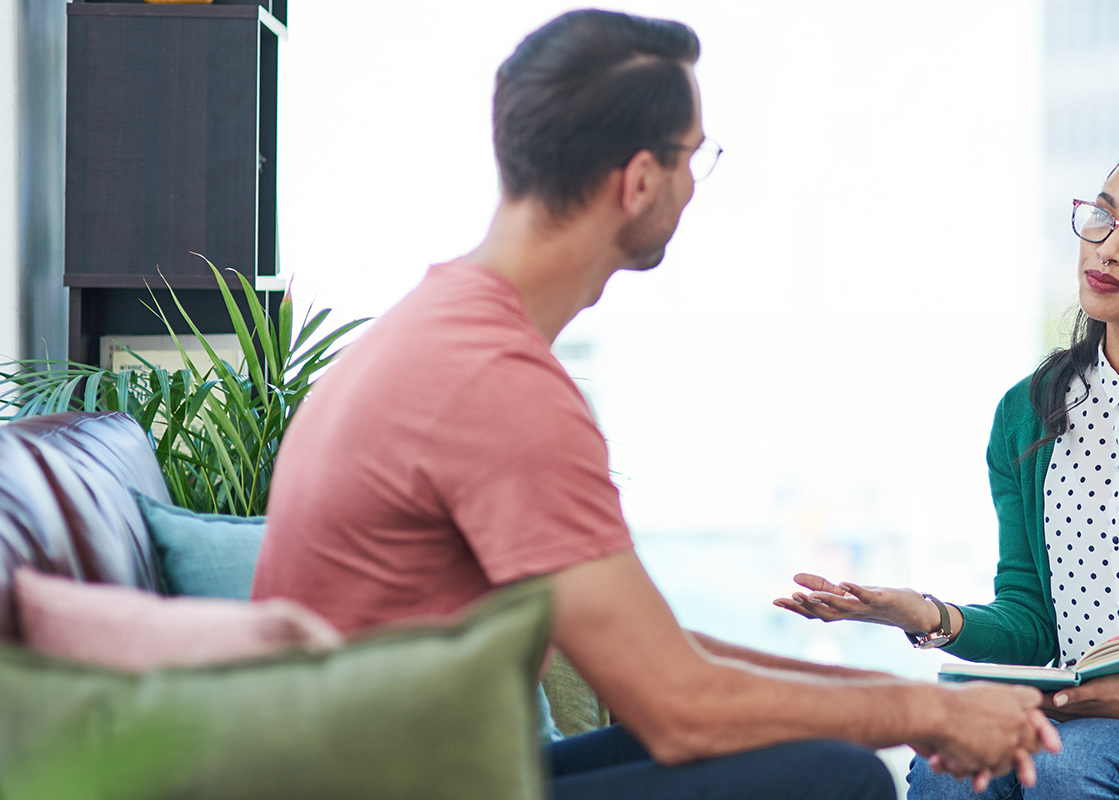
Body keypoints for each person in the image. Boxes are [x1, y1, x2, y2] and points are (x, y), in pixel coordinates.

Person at [250, 10, 1059, 800]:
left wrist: (921, 707)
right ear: (639, 181)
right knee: (831, 776)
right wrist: (921, 709)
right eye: (692, 159)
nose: (692, 186)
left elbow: (659, 657)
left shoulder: (445, 329)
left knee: (815, 745)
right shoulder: (496, 384)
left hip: (436, 767)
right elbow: (676, 709)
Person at [774, 123, 1119, 799]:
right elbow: (1032, 623)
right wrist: (924, 616)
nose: (1109, 248)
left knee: (1068, 766)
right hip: (1088, 715)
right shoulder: (1028, 412)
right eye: (1103, 217)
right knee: (949, 768)